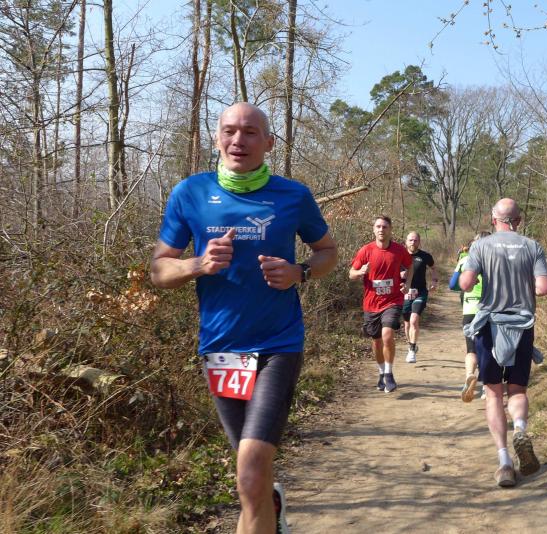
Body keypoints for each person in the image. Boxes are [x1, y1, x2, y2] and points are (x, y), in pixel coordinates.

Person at [150, 102, 337, 534]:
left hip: (278, 345)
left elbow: (327, 252)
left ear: (268, 143)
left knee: (251, 471)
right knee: (250, 476)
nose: (239, 140)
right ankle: (271, 504)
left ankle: (265, 499)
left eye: (251, 132)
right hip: (221, 350)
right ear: (217, 138)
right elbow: (159, 270)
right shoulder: (190, 193)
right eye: (230, 131)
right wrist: (197, 264)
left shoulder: (293, 195)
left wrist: (300, 272)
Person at [459, 198, 547, 488]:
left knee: (493, 393)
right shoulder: (533, 246)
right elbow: (544, 288)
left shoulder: (481, 246)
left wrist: (473, 277)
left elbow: (465, 283)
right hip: (522, 325)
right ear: (519, 221)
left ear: (493, 219)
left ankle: (505, 463)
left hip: (490, 326)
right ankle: (520, 428)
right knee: (518, 390)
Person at [349, 216, 412, 393]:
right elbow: (351, 273)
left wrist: (407, 283)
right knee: (376, 341)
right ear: (374, 229)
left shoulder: (399, 250)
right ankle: (381, 372)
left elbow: (410, 266)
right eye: (378, 226)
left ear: (390, 229)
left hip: (393, 300)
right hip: (371, 303)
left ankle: (389, 373)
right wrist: (360, 272)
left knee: (387, 334)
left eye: (384, 227)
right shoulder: (366, 250)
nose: (381, 229)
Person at [449, 231, 491, 402]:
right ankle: (487, 387)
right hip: (489, 310)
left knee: (471, 348)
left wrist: (468, 285)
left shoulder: (465, 260)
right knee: (489, 348)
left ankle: (469, 375)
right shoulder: (494, 260)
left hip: (469, 309)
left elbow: (453, 285)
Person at [401, 231, 438, 363]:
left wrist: (434, 281)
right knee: (407, 324)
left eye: (415, 240)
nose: (413, 242)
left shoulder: (425, 256)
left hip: (420, 292)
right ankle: (411, 345)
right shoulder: (400, 255)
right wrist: (399, 275)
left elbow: (433, 268)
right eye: (410, 240)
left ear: (419, 242)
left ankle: (412, 350)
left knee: (414, 320)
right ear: (406, 241)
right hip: (404, 293)